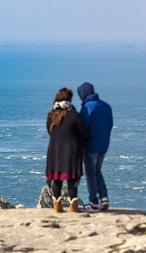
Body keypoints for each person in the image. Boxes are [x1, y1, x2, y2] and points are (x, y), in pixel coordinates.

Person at [45, 87, 89, 213]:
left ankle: (57, 206)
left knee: (57, 179)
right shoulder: (74, 115)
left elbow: (50, 131)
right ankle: (73, 206)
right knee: (72, 180)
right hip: (71, 150)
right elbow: (83, 133)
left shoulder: (51, 115)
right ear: (69, 98)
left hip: (55, 150)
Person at [77, 82, 113, 212]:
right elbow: (109, 125)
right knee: (97, 170)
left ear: (83, 94)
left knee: (90, 172)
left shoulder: (87, 107)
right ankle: (104, 197)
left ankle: (93, 202)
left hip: (90, 145)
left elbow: (83, 128)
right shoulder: (106, 106)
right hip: (104, 145)